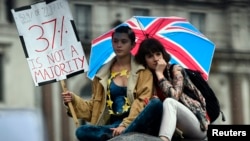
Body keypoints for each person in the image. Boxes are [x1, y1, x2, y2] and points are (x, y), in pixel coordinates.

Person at [62, 26, 162, 141]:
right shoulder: (101, 74)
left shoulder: (143, 71)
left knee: (156, 104)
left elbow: (141, 102)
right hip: (112, 128)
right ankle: (116, 136)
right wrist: (74, 100)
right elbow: (94, 109)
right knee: (81, 131)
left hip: (136, 123)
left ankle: (123, 134)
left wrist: (125, 125)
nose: (119, 45)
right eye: (115, 41)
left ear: (133, 45)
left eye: (124, 41)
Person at [134, 38, 210, 141]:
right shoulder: (148, 79)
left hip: (197, 125)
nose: (155, 59)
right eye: (150, 56)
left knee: (170, 102)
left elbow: (174, 97)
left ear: (163, 55)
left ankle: (163, 140)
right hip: (175, 130)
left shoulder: (176, 70)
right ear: (144, 60)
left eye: (158, 54)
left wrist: (160, 74)